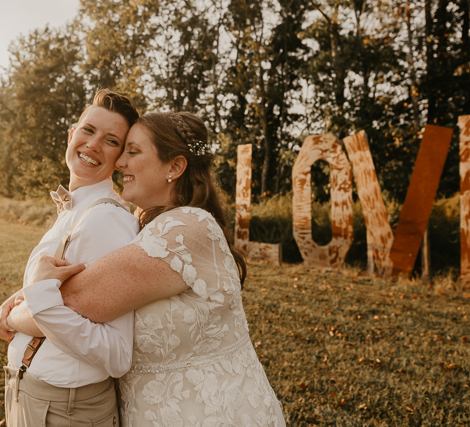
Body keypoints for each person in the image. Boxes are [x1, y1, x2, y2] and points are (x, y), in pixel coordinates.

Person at [14, 111, 287, 426]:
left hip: (216, 414)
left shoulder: (187, 228)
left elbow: (76, 300)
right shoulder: (147, 229)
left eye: (133, 151)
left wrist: (12, 312)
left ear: (174, 167)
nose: (120, 163)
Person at [0, 89, 140, 427]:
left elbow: (117, 354)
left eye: (111, 140)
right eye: (88, 130)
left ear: (119, 159)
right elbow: (66, 294)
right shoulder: (78, 210)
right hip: (34, 393)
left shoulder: (105, 221)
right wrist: (19, 297)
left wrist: (18, 317)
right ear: (72, 134)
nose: (93, 144)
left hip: (62, 409)